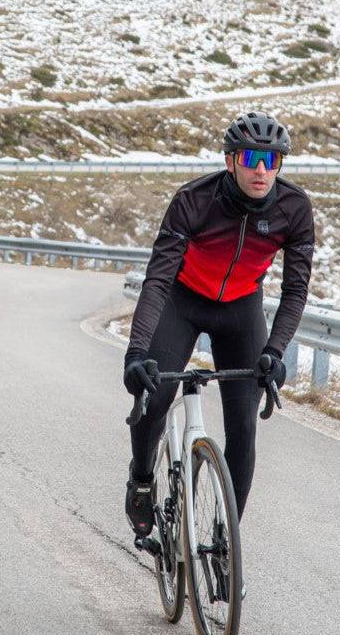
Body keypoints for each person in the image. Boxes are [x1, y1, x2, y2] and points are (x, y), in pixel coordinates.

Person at [122, 111, 314, 537]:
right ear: (230, 160)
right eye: (250, 157)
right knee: (154, 399)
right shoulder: (193, 200)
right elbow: (157, 279)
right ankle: (141, 477)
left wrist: (275, 352)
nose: (262, 169)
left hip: (241, 310)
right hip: (183, 301)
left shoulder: (294, 209)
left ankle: (226, 543)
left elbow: (295, 292)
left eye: (272, 160)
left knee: (244, 430)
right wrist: (136, 353)